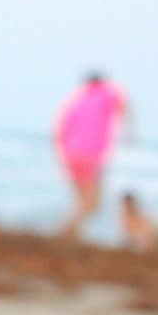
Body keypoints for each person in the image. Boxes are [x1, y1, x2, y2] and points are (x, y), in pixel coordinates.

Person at [55, 72, 132, 239]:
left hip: (70, 155)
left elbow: (60, 131)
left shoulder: (76, 102)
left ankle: (72, 233)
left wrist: (62, 156)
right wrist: (129, 130)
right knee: (93, 204)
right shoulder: (106, 94)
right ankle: (65, 231)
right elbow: (124, 104)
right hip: (90, 156)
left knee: (82, 202)